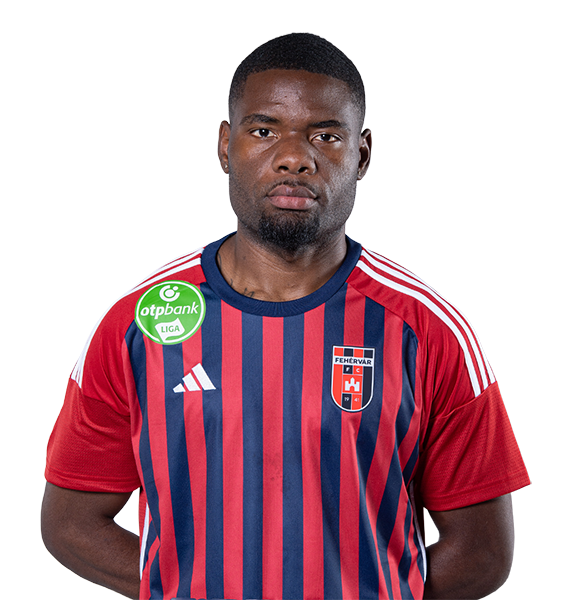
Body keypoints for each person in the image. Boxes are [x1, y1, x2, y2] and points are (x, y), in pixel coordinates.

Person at [41, 32, 531, 600]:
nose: (295, 156)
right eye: (264, 131)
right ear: (226, 146)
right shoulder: (139, 322)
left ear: (361, 156)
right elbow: (71, 523)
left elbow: (482, 553)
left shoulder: (428, 330)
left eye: (325, 135)